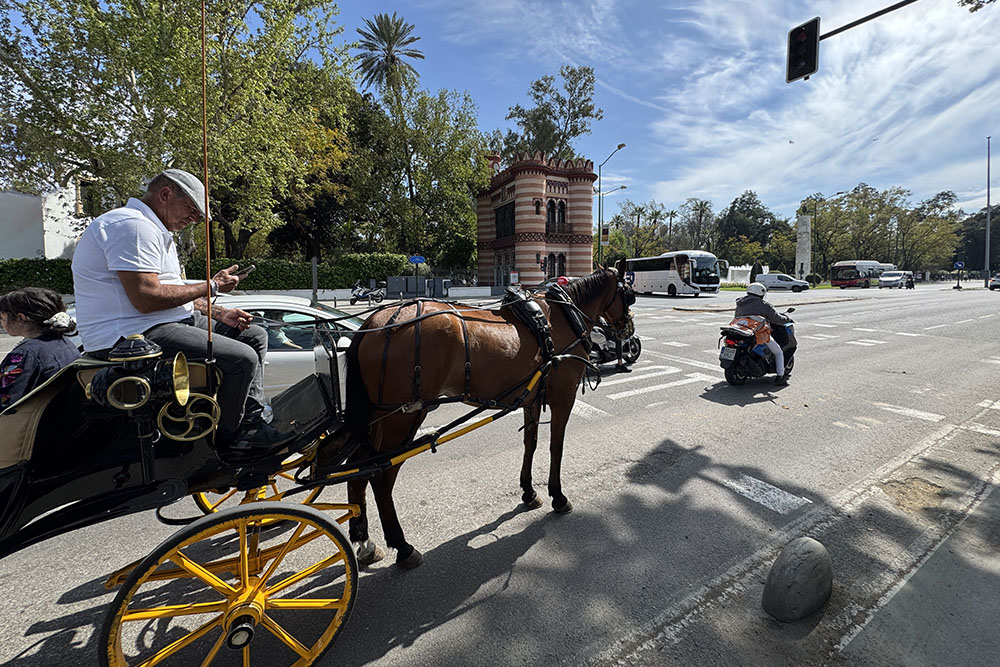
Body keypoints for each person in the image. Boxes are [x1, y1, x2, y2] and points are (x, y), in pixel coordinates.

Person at [71, 168, 283, 457]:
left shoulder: (154, 229)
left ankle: (251, 417)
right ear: (166, 194)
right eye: (193, 209)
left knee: (254, 335)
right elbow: (146, 298)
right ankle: (233, 440)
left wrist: (219, 313)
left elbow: (171, 293)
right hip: (131, 338)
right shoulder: (132, 227)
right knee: (242, 359)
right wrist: (211, 285)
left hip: (157, 323)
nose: (195, 219)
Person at [0, 287, 81, 410]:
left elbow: (5, 400)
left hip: (34, 424)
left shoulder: (25, 354)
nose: (1, 322)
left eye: (1, 318)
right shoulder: (64, 344)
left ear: (20, 317)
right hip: (64, 419)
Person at [734, 282, 791, 386]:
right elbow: (776, 319)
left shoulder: (740, 303)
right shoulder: (764, 305)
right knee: (778, 352)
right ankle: (780, 377)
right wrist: (787, 318)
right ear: (761, 293)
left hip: (740, 332)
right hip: (758, 334)